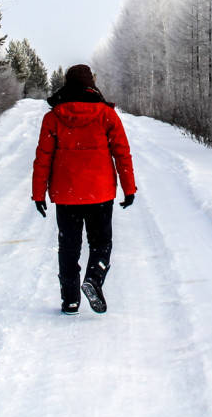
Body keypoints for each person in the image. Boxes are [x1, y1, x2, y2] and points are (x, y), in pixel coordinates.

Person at [32, 64, 136, 315]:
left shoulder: (54, 117)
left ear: (67, 84)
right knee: (101, 243)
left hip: (67, 194)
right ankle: (94, 278)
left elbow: (43, 157)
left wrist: (38, 194)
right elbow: (122, 153)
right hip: (99, 193)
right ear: (91, 83)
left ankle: (70, 300)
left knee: (69, 247)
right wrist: (128, 188)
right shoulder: (106, 115)